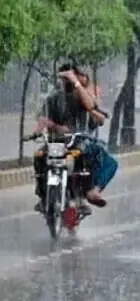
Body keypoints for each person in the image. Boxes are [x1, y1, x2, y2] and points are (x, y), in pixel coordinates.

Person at [31, 63, 118, 211]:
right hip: (56, 144)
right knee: (39, 157)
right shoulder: (53, 98)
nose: (66, 81)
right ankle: (43, 195)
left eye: (70, 76)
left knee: (107, 159)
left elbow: (93, 109)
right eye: (64, 77)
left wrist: (76, 83)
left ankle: (92, 190)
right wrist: (41, 130)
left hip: (79, 142)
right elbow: (42, 119)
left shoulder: (83, 96)